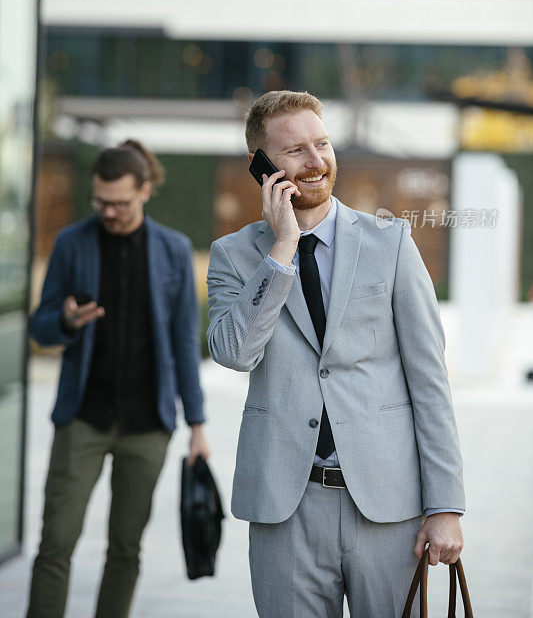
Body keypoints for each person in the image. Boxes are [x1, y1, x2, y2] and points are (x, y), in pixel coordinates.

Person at [207, 91, 464, 618]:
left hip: (387, 505)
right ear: (261, 166)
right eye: (295, 151)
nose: (316, 160)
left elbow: (430, 381)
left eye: (321, 144)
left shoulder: (391, 244)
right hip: (286, 506)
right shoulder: (233, 255)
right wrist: (281, 250)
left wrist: (446, 506)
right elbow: (234, 352)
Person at [26, 139, 209, 618]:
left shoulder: (172, 250)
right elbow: (39, 326)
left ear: (145, 190)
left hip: (148, 424)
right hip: (82, 418)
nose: (109, 211)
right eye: (100, 201)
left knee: (125, 548)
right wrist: (65, 320)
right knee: (56, 543)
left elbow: (185, 343)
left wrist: (197, 424)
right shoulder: (72, 243)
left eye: (120, 203)